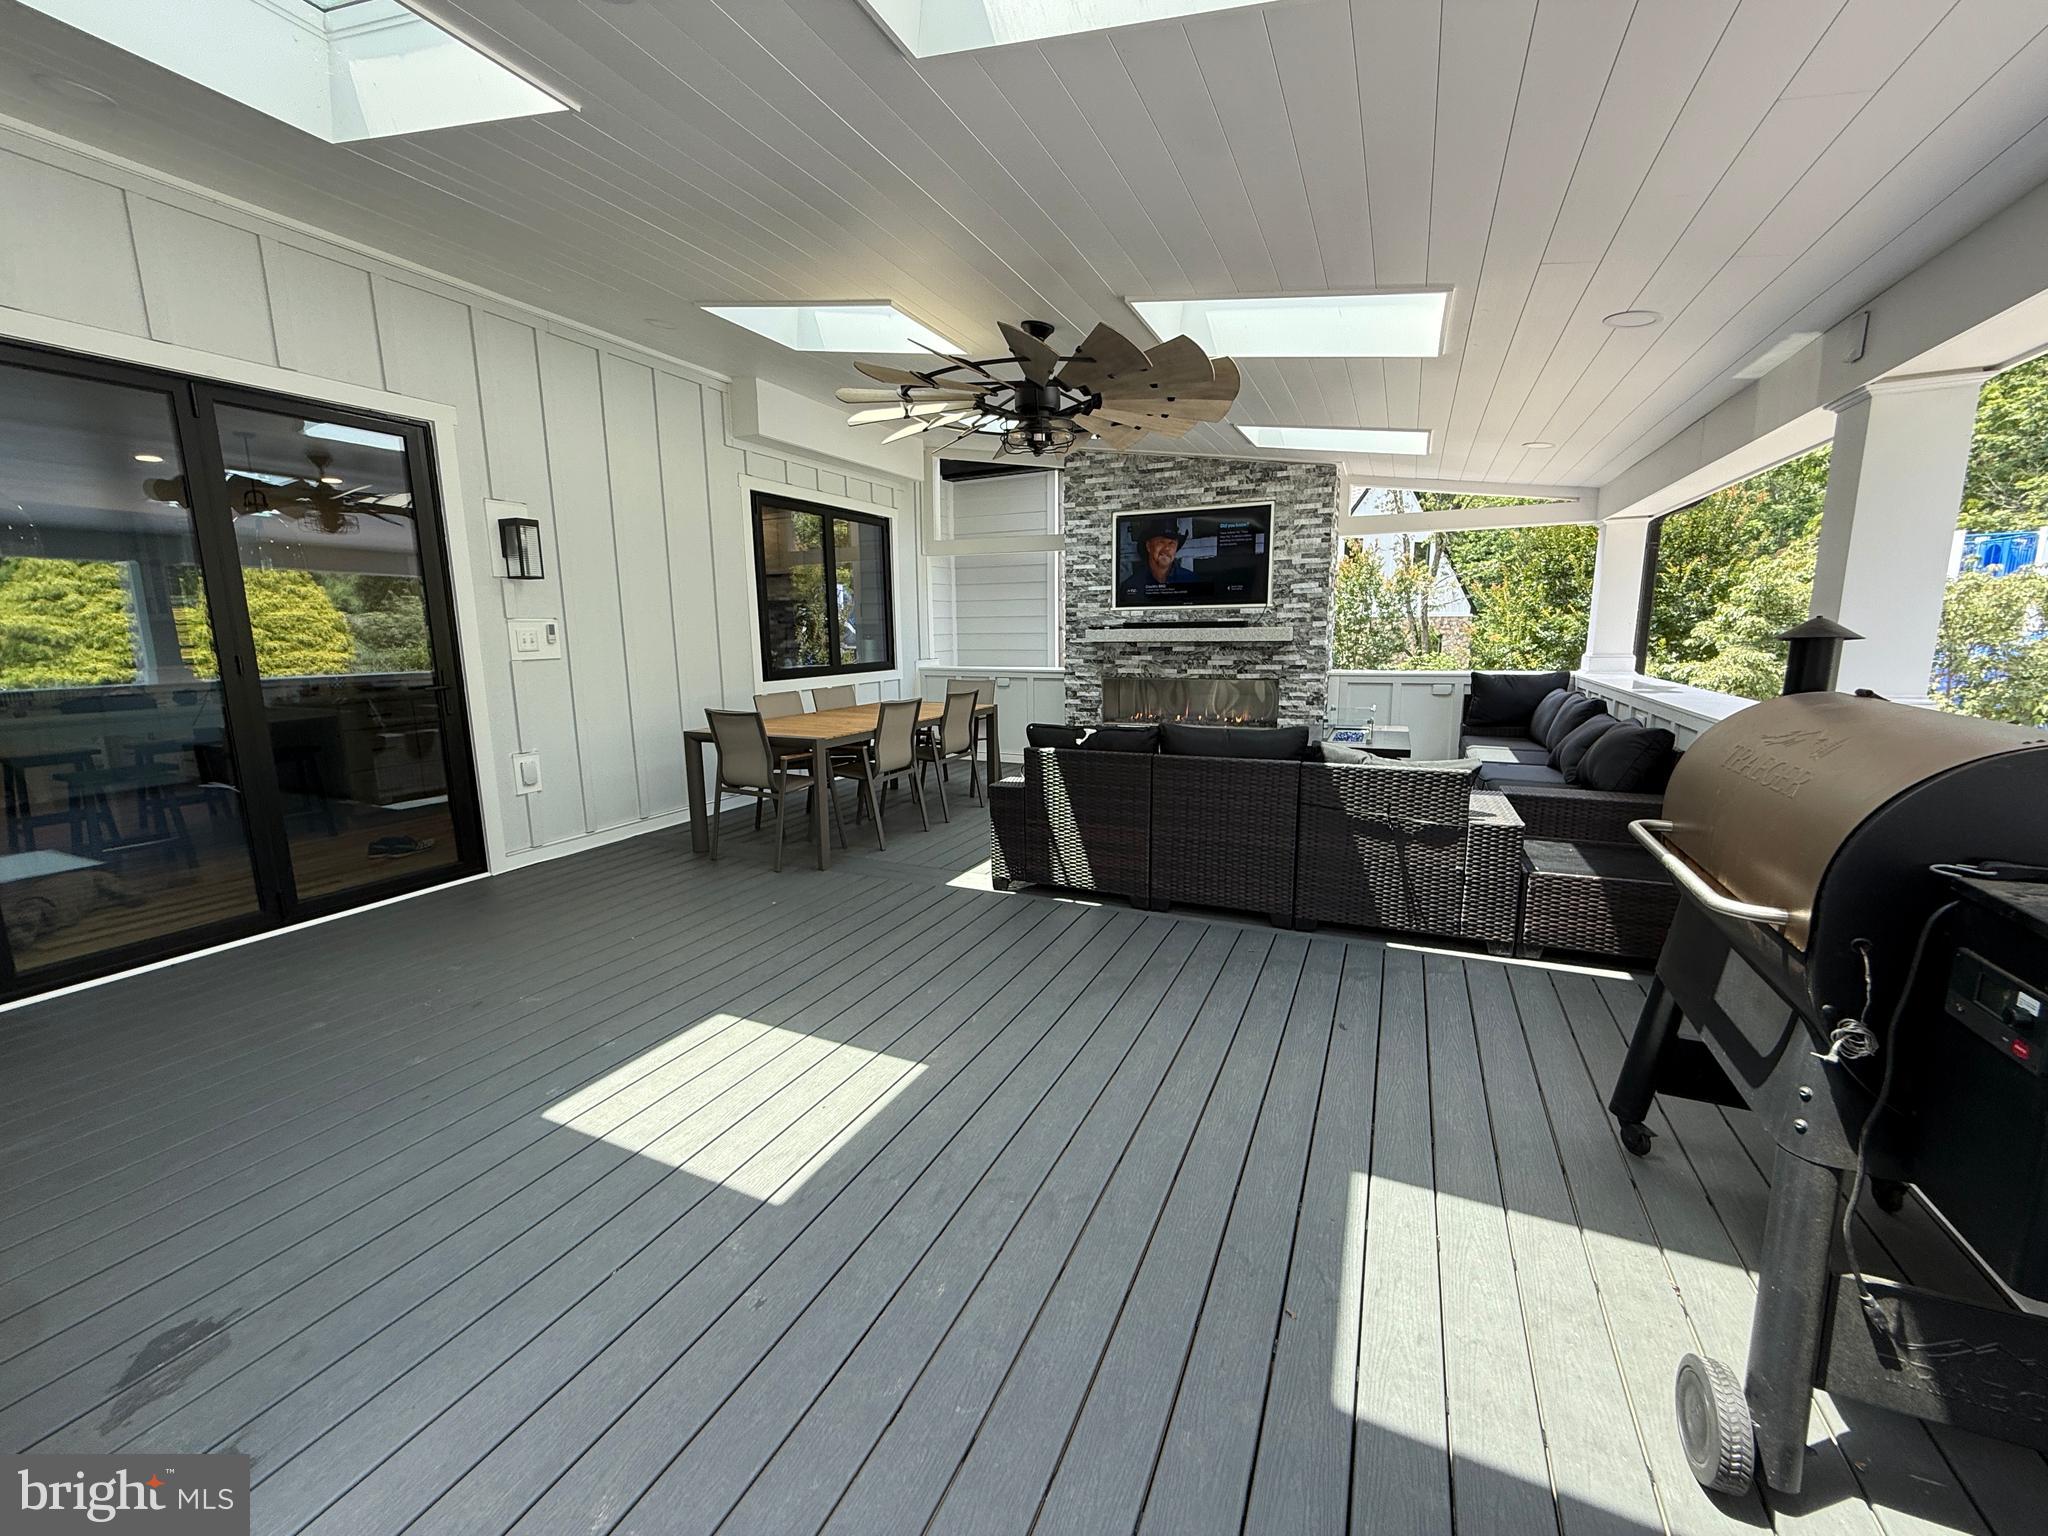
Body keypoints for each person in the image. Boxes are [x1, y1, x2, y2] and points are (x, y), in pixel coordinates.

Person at [1118, 518, 1191, 604]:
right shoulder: (1131, 585)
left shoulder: (1192, 581)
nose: (1167, 548)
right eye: (1161, 542)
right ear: (1149, 546)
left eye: (1171, 543)